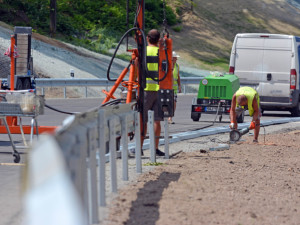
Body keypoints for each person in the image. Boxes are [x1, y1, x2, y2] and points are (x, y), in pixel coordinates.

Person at [135, 29, 165, 156]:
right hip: (159, 90)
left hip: (145, 90)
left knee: (143, 120)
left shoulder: (143, 52)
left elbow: (136, 63)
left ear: (147, 38)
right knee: (157, 121)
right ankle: (155, 148)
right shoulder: (161, 52)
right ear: (158, 40)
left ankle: (139, 148)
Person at [168, 51, 181, 124]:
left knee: (174, 103)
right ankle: (166, 116)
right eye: (175, 58)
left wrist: (179, 86)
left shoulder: (177, 66)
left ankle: (170, 117)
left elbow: (178, 76)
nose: (176, 59)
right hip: (167, 88)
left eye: (176, 58)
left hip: (174, 89)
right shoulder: (167, 65)